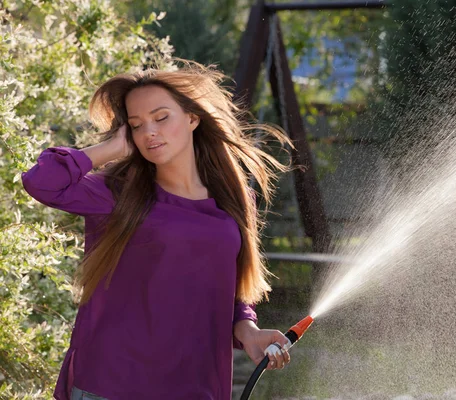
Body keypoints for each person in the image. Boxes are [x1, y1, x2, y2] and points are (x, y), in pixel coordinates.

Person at [22, 60, 292, 400]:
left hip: (196, 385)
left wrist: (247, 330)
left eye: (161, 118)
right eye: (136, 125)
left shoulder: (236, 199)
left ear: (193, 118)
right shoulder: (116, 193)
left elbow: (232, 287)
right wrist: (111, 149)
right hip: (111, 384)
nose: (149, 131)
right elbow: (41, 181)